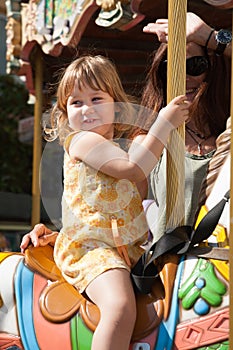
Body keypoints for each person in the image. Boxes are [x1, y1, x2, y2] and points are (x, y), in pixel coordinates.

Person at [20, 54, 189, 350]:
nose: (86, 110)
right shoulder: (82, 141)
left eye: (96, 99)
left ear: (116, 104)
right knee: (120, 307)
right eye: (76, 102)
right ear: (64, 112)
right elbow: (132, 169)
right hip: (92, 251)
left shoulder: (119, 149)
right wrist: (163, 123)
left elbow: (137, 192)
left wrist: (144, 144)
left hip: (124, 251)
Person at [141, 12, 231, 240]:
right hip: (172, 265)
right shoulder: (151, 139)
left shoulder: (227, 134)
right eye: (170, 69)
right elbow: (115, 202)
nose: (183, 77)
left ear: (211, 69)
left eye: (195, 65)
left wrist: (209, 36)